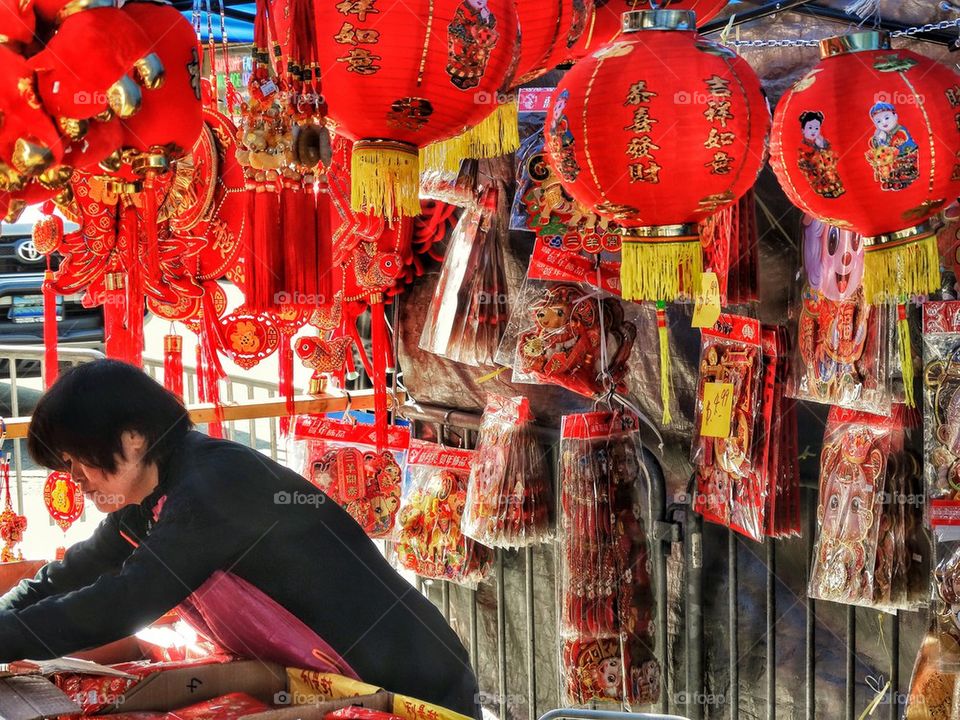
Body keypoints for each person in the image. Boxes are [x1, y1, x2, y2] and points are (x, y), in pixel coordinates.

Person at [0, 360, 479, 718]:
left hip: (407, 677)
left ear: (132, 439)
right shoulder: (151, 497)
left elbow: (127, 600)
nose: (77, 479)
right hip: (335, 680)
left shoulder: (214, 483)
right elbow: (72, 572)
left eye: (77, 460)